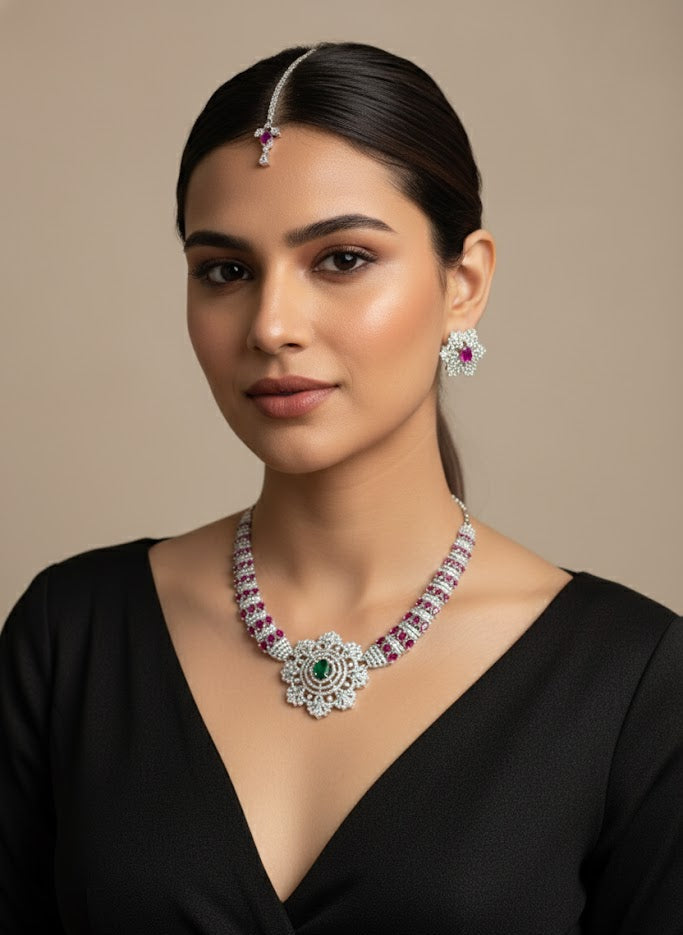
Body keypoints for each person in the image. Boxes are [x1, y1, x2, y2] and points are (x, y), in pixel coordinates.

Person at [1, 40, 681, 935]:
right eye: (226, 271)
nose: (272, 324)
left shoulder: (631, 682)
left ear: (463, 283)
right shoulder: (71, 635)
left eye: (342, 259)